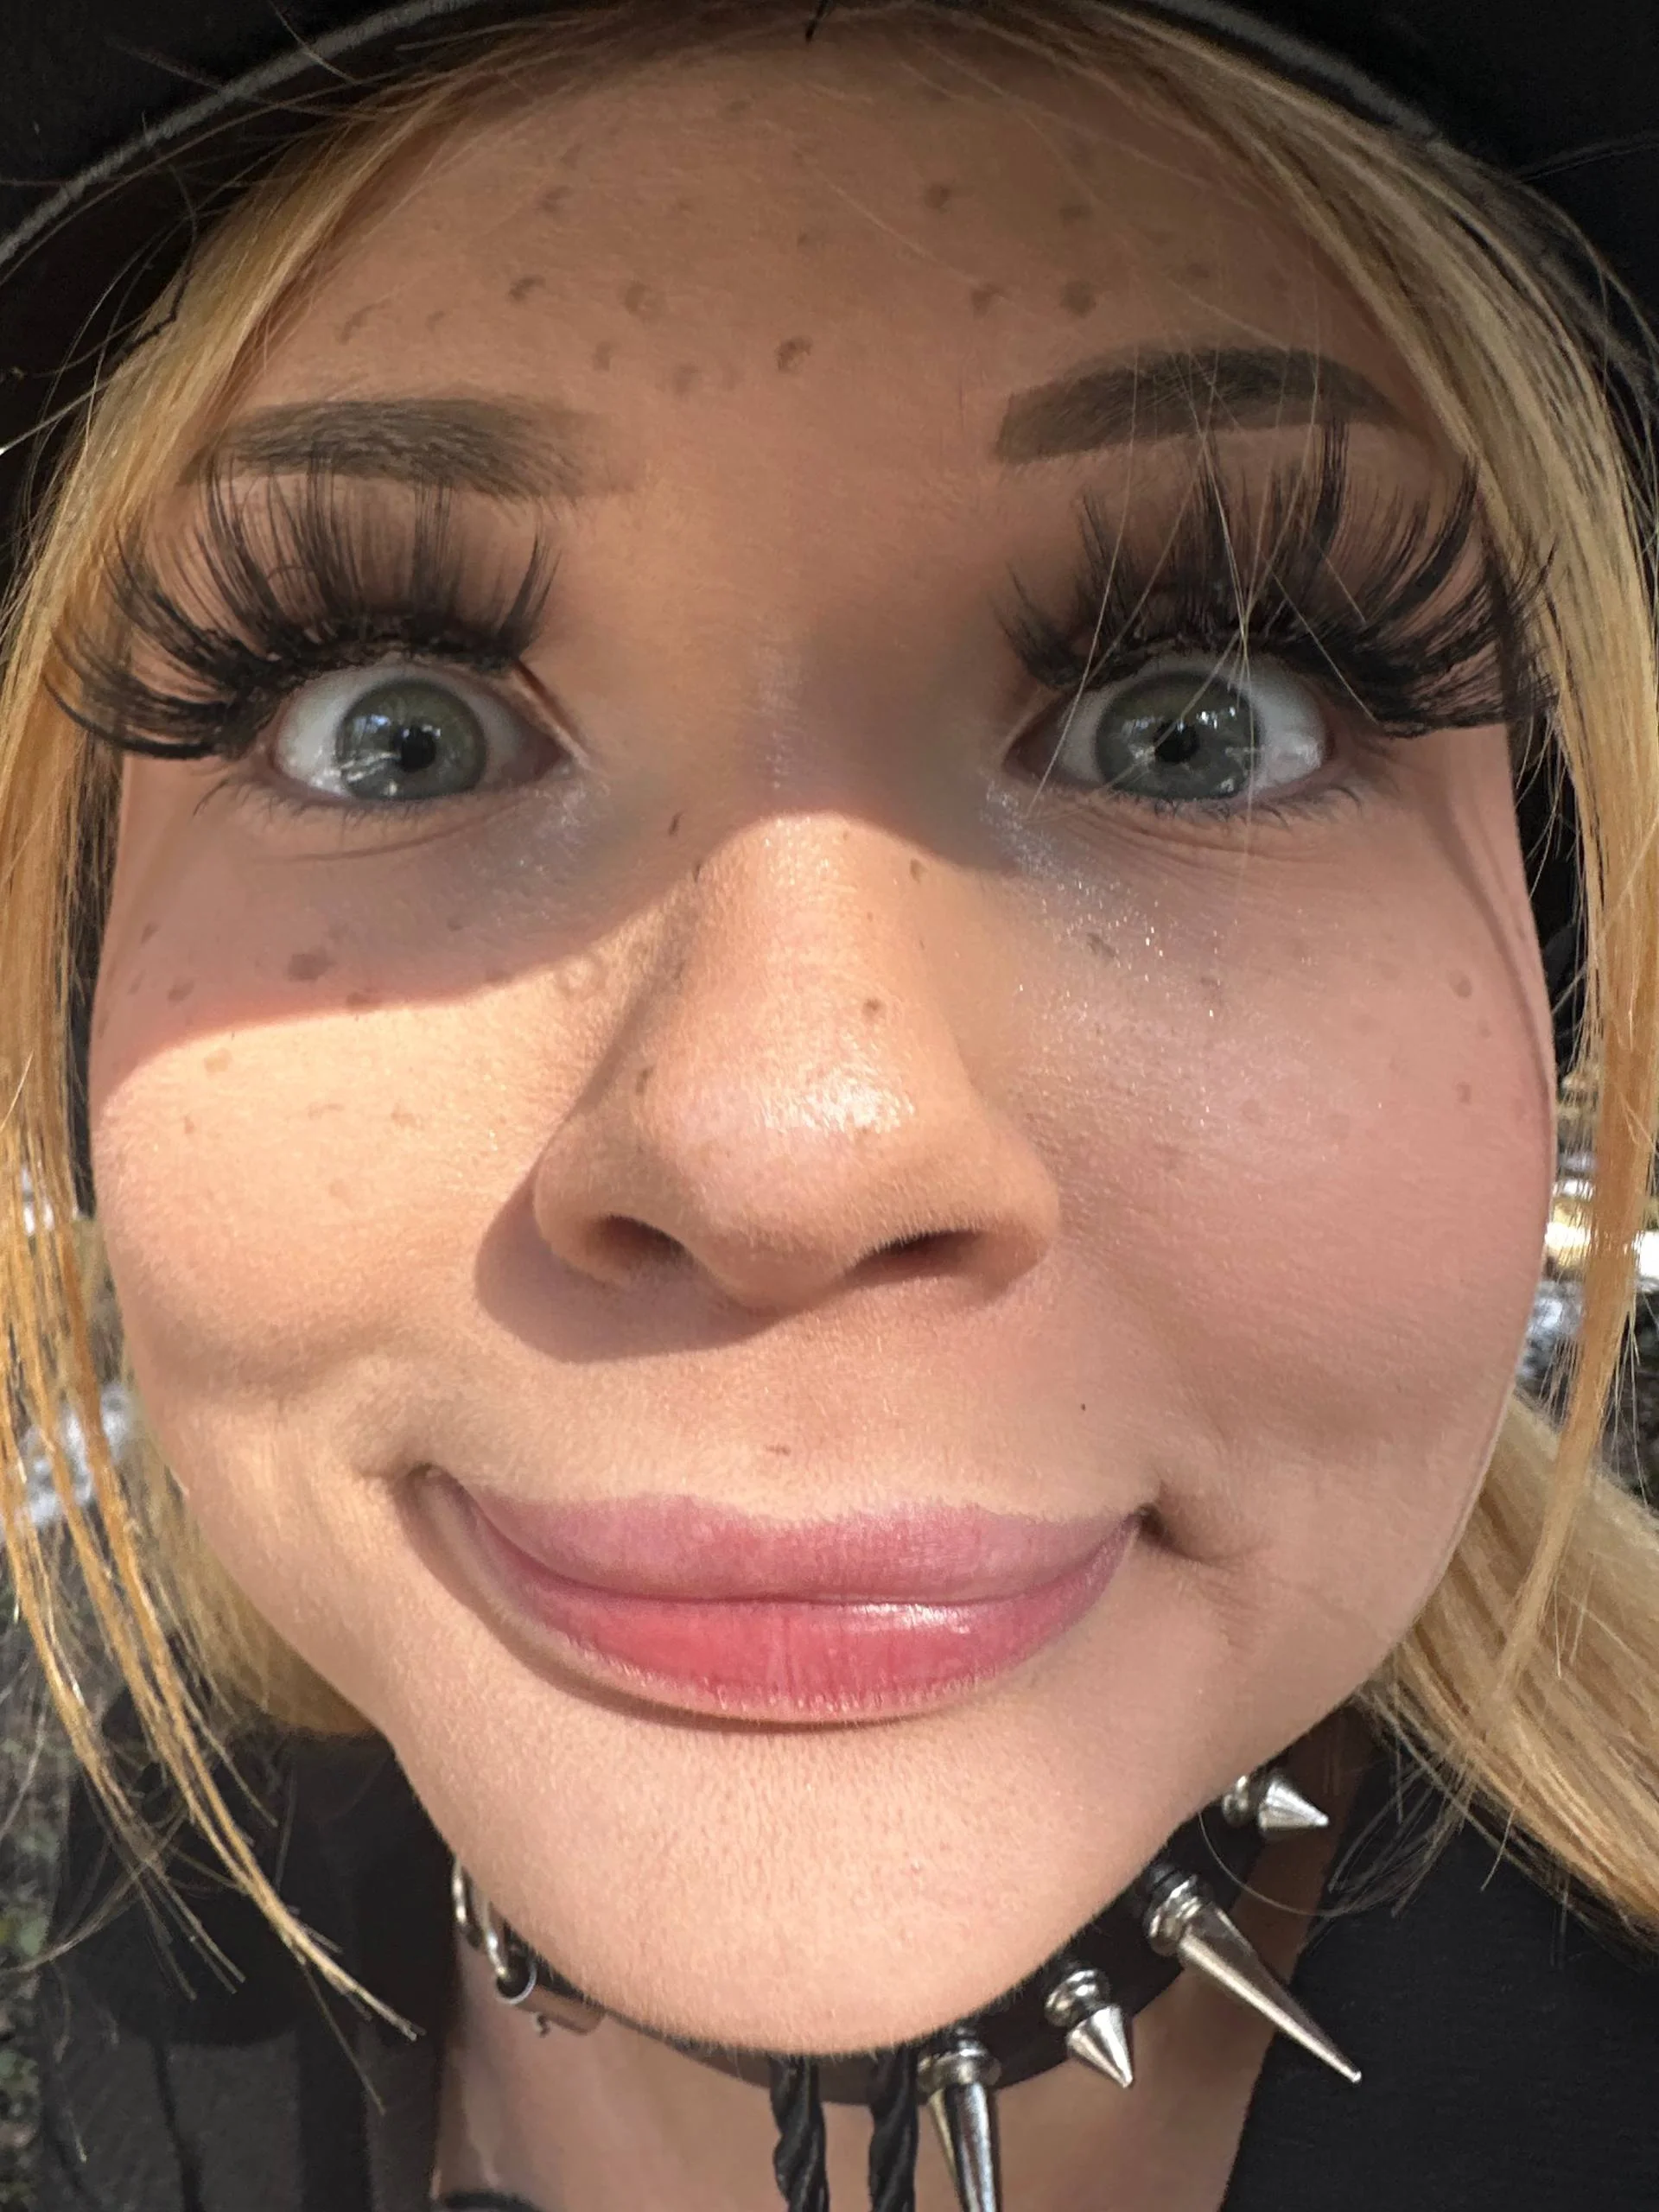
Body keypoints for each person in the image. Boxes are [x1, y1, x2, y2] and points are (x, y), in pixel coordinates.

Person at [3, 1, 1659, 2205]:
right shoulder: (152, 1900)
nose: (786, 1142)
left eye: (1199, 722)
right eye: (391, 725)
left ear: (1556, 944)